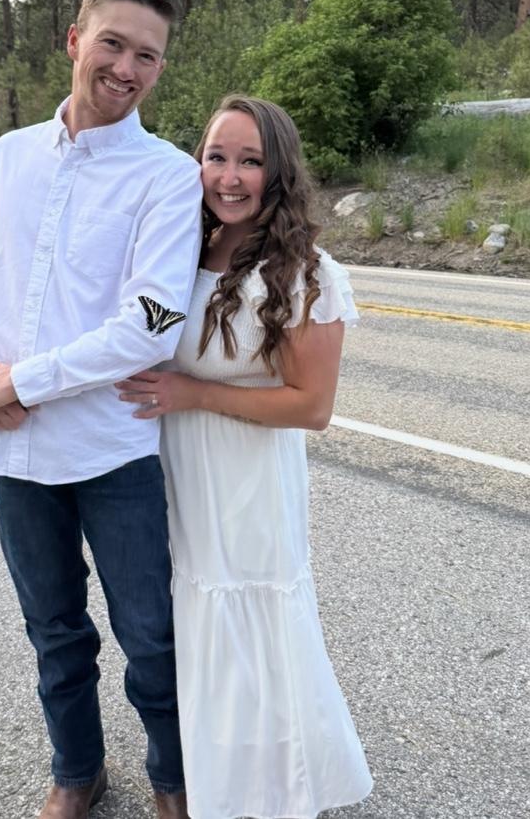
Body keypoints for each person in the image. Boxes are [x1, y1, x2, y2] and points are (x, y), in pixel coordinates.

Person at [0, 0, 202, 819]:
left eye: (146, 55)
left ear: (160, 68)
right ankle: (76, 772)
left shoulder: (167, 178)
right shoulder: (6, 157)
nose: (125, 67)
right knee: (54, 629)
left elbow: (152, 324)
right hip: (13, 451)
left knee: (151, 636)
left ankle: (175, 780)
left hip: (110, 449)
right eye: (112, 43)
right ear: (73, 40)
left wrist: (21, 381)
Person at [117, 95, 374, 818]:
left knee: (250, 623)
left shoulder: (303, 273)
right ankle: (219, 787)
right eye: (216, 157)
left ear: (278, 170)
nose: (229, 177)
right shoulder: (181, 253)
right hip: (178, 471)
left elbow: (311, 406)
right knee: (198, 626)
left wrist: (192, 393)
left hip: (248, 480)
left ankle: (277, 791)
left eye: (250, 161)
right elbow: (141, 335)